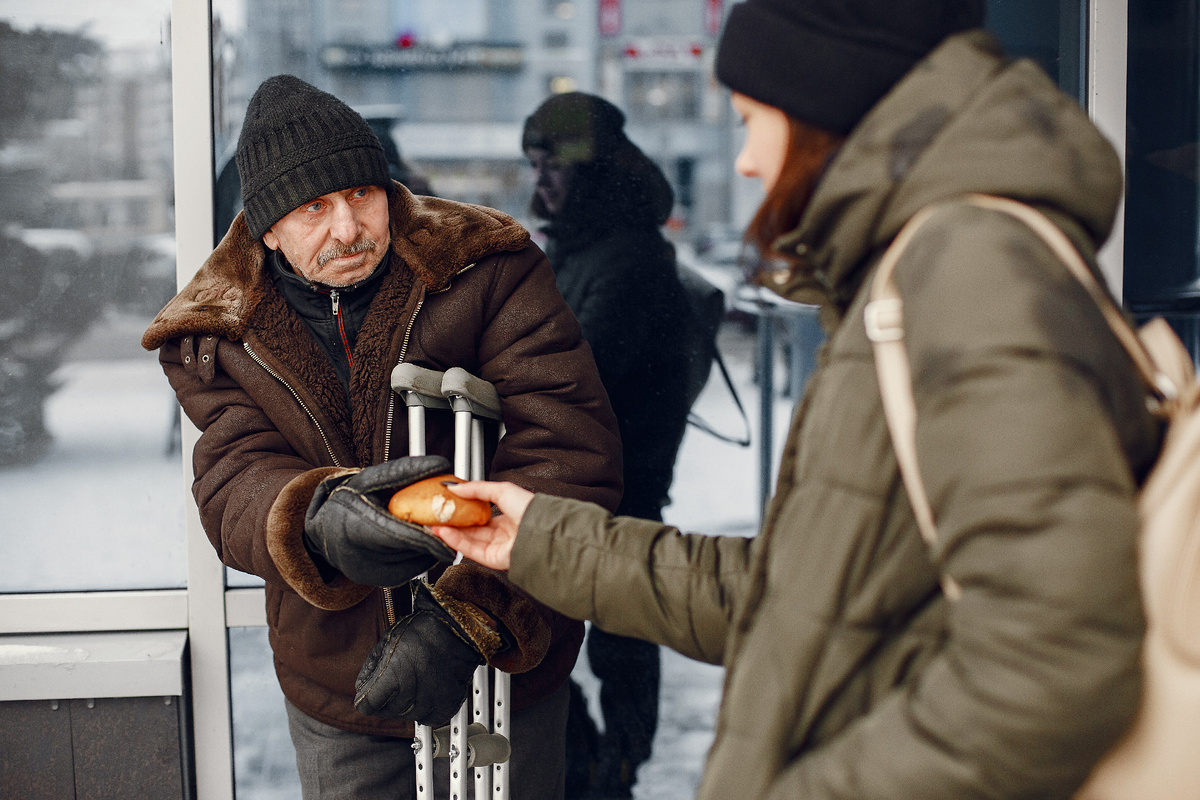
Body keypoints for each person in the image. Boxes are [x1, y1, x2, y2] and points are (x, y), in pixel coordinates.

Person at [430, 1, 1164, 798]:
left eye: (751, 119)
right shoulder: (917, 273)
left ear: (824, 107)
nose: (745, 161)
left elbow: (1052, 664)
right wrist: (539, 539)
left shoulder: (965, 272)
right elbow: (800, 592)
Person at [141, 74, 622, 800]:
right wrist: (312, 516)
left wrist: (471, 619)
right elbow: (232, 476)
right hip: (340, 682)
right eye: (314, 207)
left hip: (505, 660)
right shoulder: (220, 331)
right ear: (268, 227)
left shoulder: (487, 267)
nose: (348, 227)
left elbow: (568, 451)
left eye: (362, 194)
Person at [521, 92, 695, 799]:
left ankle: (613, 768)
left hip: (625, 477)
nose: (541, 183)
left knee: (621, 633)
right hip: (593, 475)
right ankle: (600, 764)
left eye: (551, 166)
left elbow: (575, 369)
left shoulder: (625, 257)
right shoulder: (583, 244)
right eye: (534, 166)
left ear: (589, 170)